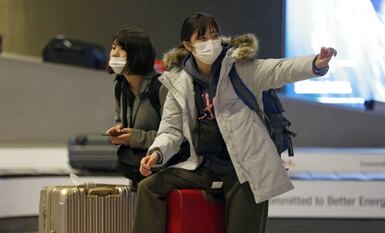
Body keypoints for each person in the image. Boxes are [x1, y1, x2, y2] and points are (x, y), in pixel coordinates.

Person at [135, 13, 337, 233]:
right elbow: (171, 130)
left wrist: (314, 64)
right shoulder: (179, 81)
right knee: (150, 188)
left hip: (245, 169)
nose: (211, 42)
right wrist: (156, 153)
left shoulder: (239, 67)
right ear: (188, 45)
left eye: (214, 35)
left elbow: (278, 69)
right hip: (204, 166)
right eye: (202, 38)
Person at [105, 28, 168, 190]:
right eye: (113, 48)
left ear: (138, 54)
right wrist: (119, 130)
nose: (115, 54)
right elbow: (120, 118)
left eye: (122, 48)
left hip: (162, 169)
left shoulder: (162, 87)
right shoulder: (120, 85)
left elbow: (175, 137)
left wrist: (134, 137)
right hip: (135, 167)